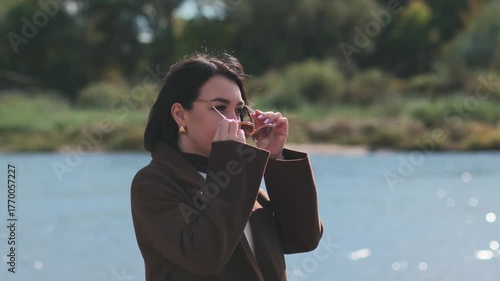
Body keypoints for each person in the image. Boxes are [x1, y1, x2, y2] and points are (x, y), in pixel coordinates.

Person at [130, 52, 323, 281]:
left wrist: (275, 157)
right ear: (181, 114)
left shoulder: (244, 185)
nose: (235, 121)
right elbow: (205, 257)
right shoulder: (153, 183)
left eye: (239, 110)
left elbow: (304, 238)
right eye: (220, 108)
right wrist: (231, 165)